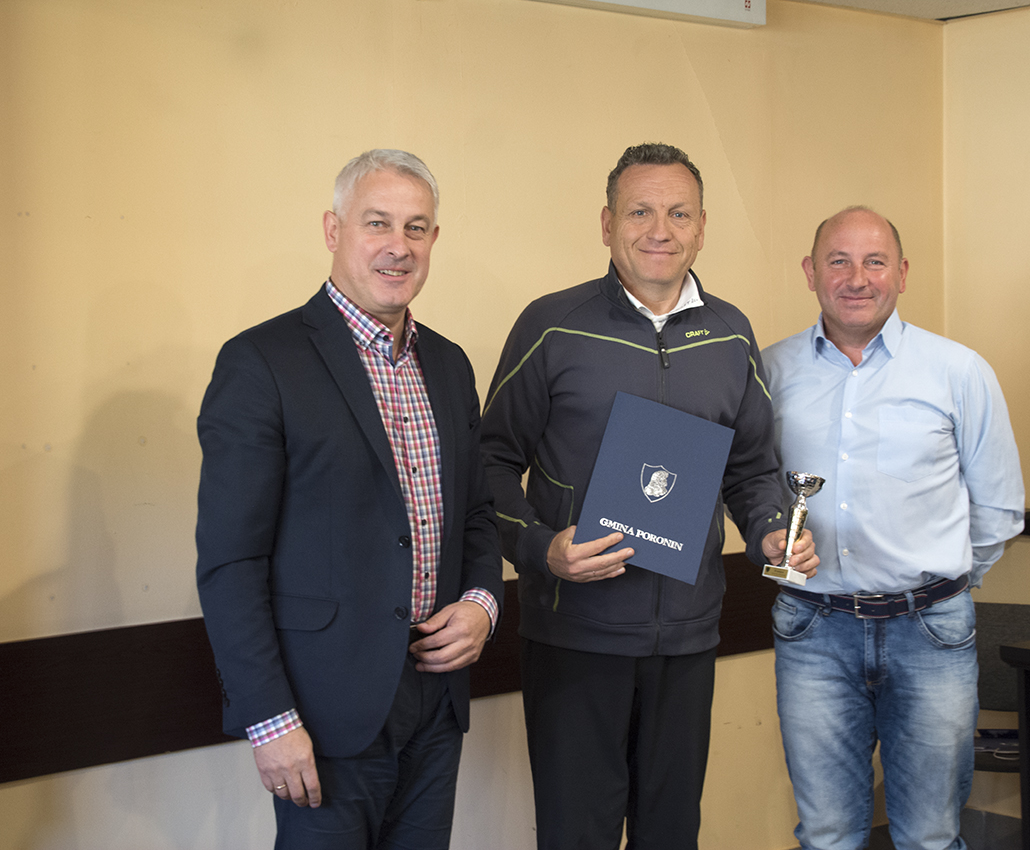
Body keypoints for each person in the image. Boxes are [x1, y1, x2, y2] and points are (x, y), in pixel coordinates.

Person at [480, 142, 816, 850]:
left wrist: (771, 530)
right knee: (577, 837)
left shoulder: (730, 333)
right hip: (576, 636)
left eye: (678, 213)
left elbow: (752, 469)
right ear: (607, 224)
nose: (660, 230)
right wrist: (541, 549)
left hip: (688, 639)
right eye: (639, 212)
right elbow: (490, 462)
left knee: (671, 835)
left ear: (702, 227)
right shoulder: (552, 326)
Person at [195, 149, 504, 850]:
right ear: (334, 231)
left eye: (417, 228)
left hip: (436, 703)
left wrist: (483, 603)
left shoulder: (449, 364)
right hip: (320, 715)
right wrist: (270, 721)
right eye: (378, 223)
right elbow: (231, 562)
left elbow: (477, 515)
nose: (400, 246)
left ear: (433, 239)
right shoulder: (261, 362)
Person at [762, 206, 1025, 850]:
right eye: (839, 261)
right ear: (810, 272)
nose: (857, 278)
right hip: (812, 630)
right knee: (827, 833)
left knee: (930, 835)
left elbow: (997, 507)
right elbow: (749, 491)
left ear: (902, 273)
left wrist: (940, 585)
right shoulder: (768, 373)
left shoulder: (959, 371)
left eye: (874, 261)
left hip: (930, 632)